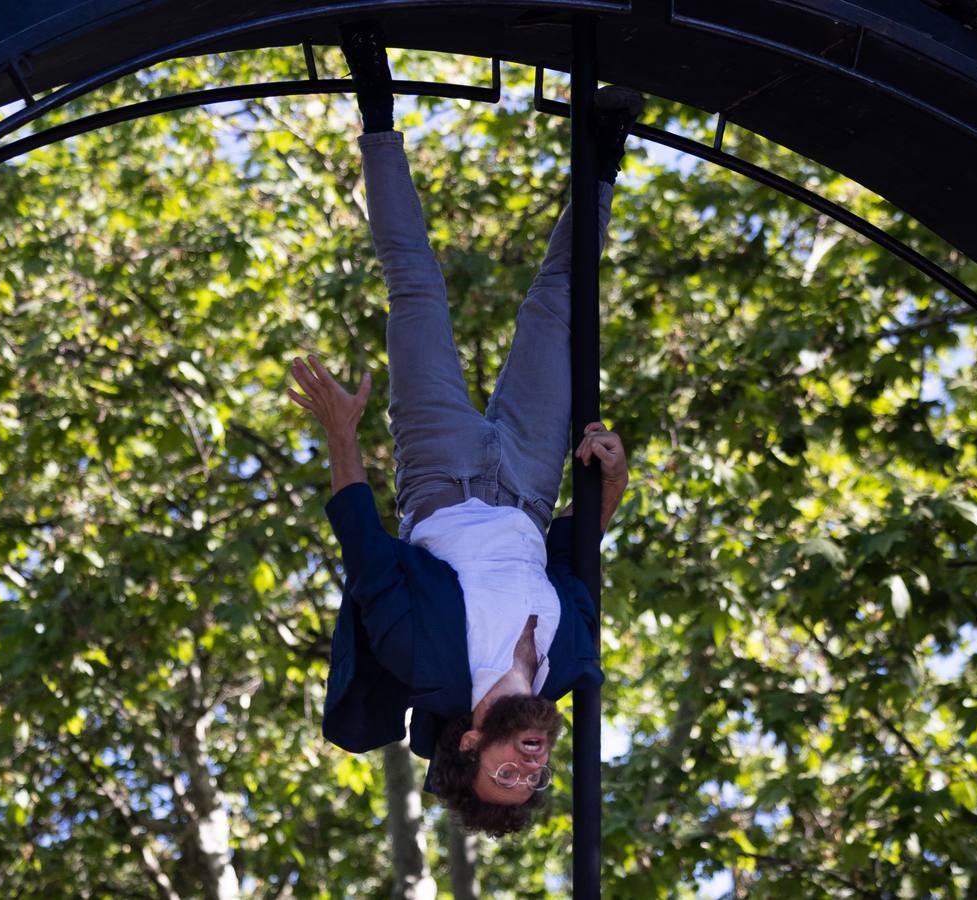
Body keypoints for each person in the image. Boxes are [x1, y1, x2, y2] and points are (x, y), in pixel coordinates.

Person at [287, 22, 641, 836]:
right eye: (533, 776)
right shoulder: (566, 667)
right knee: (558, 314)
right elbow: (573, 557)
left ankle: (374, 99)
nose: (530, 765)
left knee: (417, 290)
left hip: (440, 471)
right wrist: (613, 482)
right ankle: (604, 160)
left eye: (506, 774)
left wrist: (344, 432)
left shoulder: (427, 667)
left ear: (469, 742)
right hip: (527, 479)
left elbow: (369, 555)